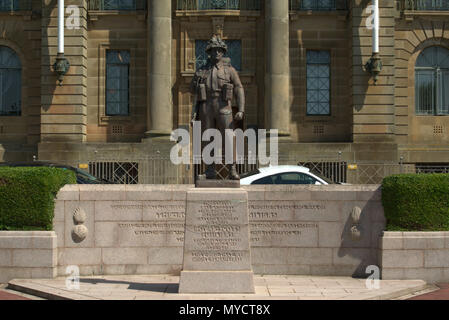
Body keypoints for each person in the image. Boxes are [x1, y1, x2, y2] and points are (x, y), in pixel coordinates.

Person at [190, 35, 245, 180]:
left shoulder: (230, 70)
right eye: (213, 51)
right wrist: (193, 113)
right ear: (209, 52)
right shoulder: (201, 70)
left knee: (229, 138)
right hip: (206, 107)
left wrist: (240, 109)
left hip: (224, 106)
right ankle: (210, 170)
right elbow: (195, 93)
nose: (216, 53)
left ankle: (232, 169)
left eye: (219, 51)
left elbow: (239, 88)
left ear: (223, 52)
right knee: (208, 139)